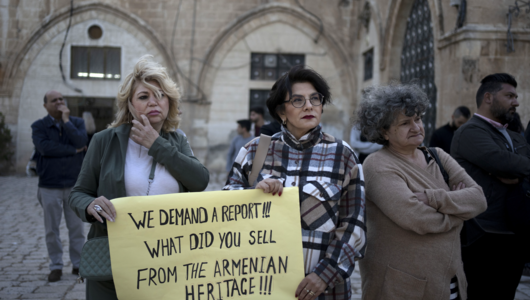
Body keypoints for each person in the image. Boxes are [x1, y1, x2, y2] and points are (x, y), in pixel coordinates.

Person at [69, 55, 209, 300]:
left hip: (169, 262)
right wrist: (89, 205)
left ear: (170, 102)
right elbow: (79, 193)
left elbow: (200, 181)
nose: (154, 102)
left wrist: (157, 145)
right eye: (144, 97)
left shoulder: (178, 140)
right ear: (130, 105)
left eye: (161, 95)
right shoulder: (104, 140)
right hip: (114, 258)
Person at [224, 65, 366, 300]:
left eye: (315, 99)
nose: (309, 106)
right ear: (281, 111)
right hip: (261, 286)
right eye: (298, 100)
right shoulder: (254, 151)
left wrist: (324, 275)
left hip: (324, 291)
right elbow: (226, 207)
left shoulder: (343, 155)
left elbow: (354, 225)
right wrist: (252, 193)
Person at [356, 83, 486, 300]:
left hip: (449, 279)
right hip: (401, 285)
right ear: (384, 131)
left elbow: (479, 199)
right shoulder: (377, 165)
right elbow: (417, 218)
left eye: (418, 119)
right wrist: (460, 211)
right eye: (405, 123)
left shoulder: (438, 156)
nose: (416, 127)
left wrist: (433, 198)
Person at [451, 73, 530, 299]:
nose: (516, 101)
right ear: (488, 97)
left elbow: (519, 165)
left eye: (516, 96)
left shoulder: (513, 136)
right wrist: (512, 169)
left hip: (514, 232)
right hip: (483, 234)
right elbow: (504, 162)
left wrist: (516, 173)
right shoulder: (470, 132)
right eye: (509, 96)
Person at [31, 90, 87, 282]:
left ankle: (78, 265)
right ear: (45, 105)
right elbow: (45, 149)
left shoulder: (77, 123)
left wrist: (66, 121)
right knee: (51, 230)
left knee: (77, 228)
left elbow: (82, 141)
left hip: (74, 186)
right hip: (49, 185)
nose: (59, 102)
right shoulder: (39, 126)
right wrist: (73, 150)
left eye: (61, 99)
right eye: (54, 100)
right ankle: (55, 266)